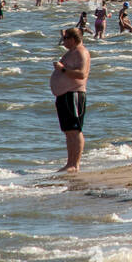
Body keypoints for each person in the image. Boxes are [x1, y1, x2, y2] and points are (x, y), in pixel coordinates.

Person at [51, 27, 90, 173]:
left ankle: (75, 164)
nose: (63, 41)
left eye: (65, 38)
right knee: (68, 131)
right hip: (64, 95)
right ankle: (70, 163)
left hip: (74, 94)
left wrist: (62, 69)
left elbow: (82, 73)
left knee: (75, 130)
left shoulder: (81, 52)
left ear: (73, 39)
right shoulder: (72, 52)